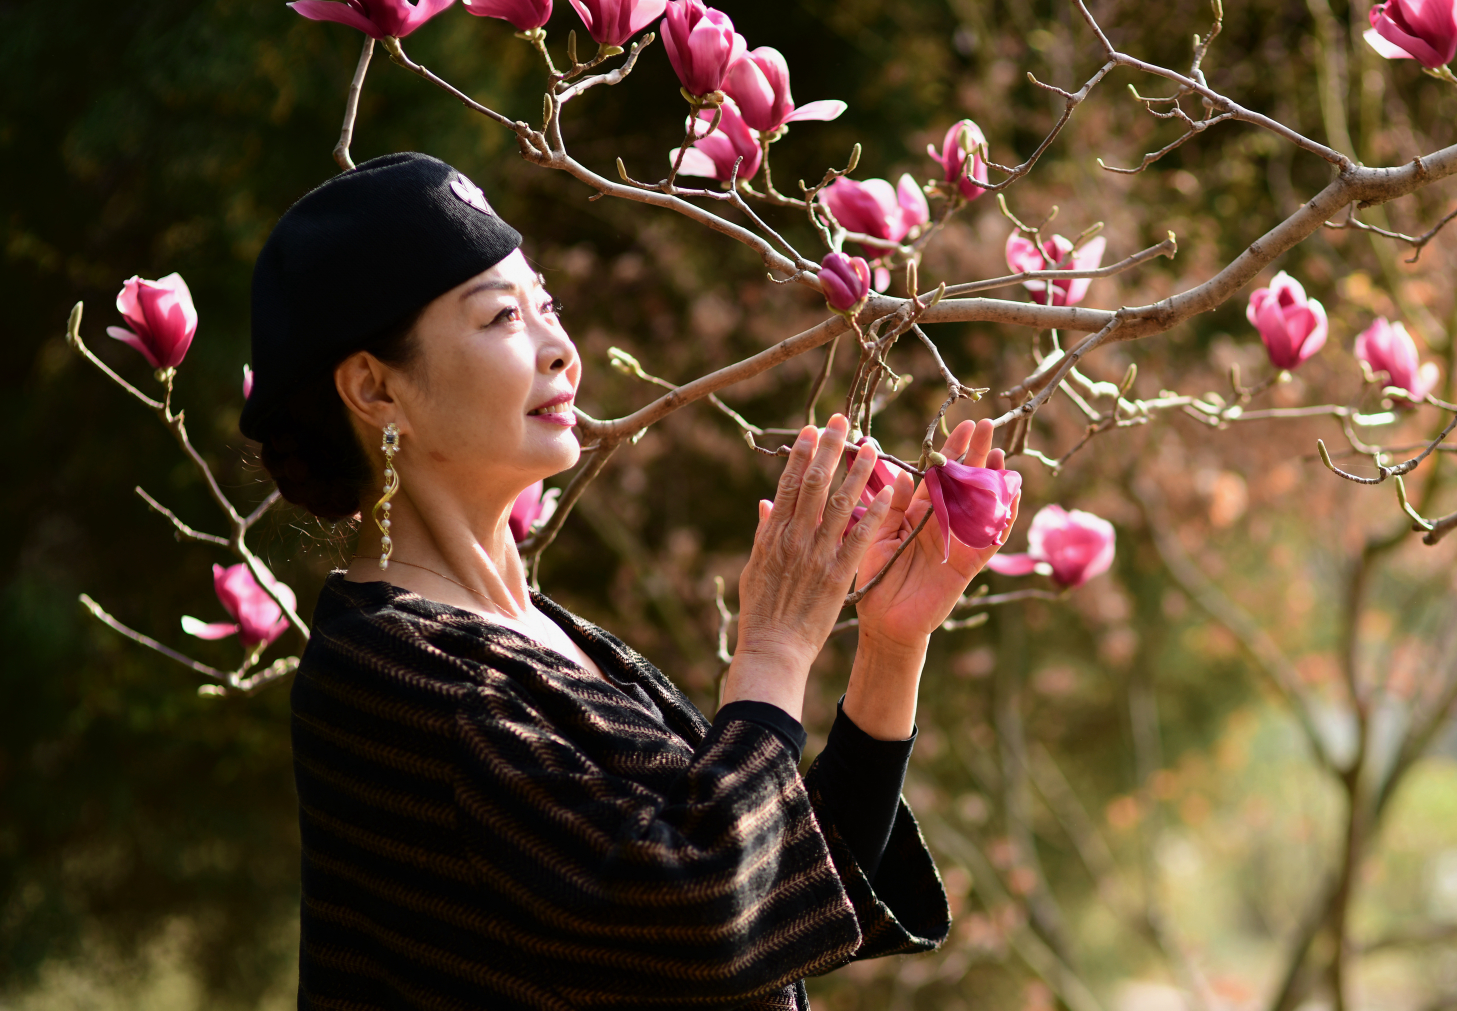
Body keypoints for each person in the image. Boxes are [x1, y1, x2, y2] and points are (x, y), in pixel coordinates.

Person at [240, 152, 1018, 1010]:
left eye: (548, 306)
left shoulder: (542, 633)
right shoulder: (390, 675)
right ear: (375, 389)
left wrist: (889, 646)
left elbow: (773, 882)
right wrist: (770, 651)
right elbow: (694, 918)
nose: (561, 350)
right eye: (502, 317)